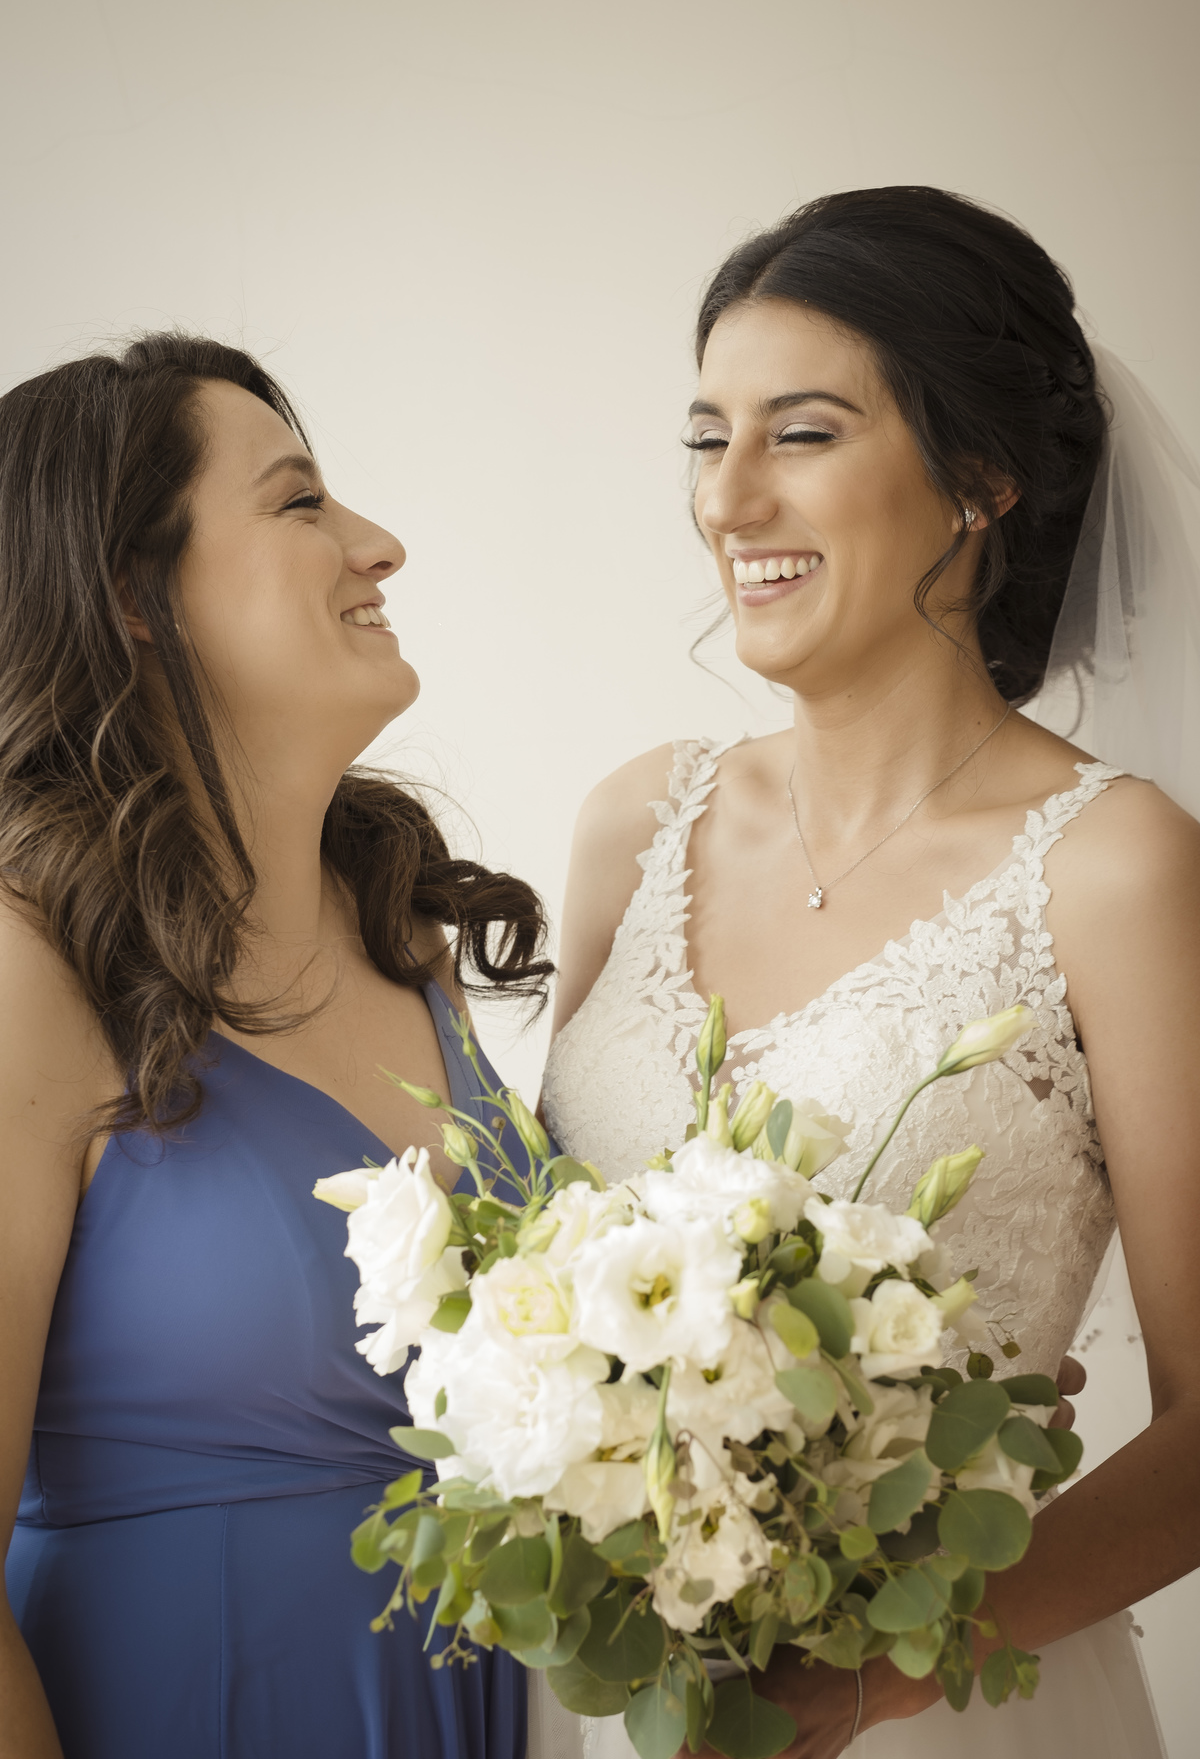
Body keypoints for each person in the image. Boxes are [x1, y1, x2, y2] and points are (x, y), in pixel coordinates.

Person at [543, 187, 1200, 1757]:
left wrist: (870, 1680)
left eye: (805, 433)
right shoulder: (635, 818)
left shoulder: (1115, 869)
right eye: (709, 438)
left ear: (980, 479)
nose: (730, 499)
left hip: (957, 1709)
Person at [0, 335, 551, 1759]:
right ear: (131, 591)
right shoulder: (26, 970)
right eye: (302, 503)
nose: (379, 545)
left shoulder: (398, 933)